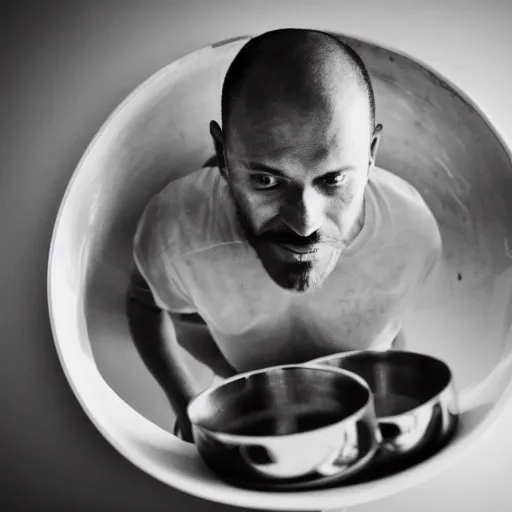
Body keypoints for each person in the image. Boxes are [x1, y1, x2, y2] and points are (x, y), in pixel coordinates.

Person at [126, 28, 442, 442]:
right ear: (222, 155)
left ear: (371, 153)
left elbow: (393, 326)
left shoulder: (412, 232)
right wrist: (185, 400)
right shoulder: (177, 228)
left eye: (332, 180)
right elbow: (142, 299)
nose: (305, 223)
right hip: (237, 376)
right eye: (266, 180)